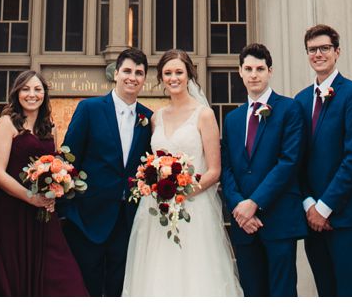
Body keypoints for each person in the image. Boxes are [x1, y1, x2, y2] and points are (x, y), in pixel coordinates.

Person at [122, 48, 241, 297]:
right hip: (157, 208)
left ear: (189, 75)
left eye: (178, 72)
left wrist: (181, 192)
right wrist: (156, 186)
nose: (173, 78)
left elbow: (214, 170)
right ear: (161, 78)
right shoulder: (156, 117)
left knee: (193, 275)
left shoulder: (204, 115)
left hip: (193, 208)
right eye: (167, 73)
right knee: (156, 273)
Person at [0, 70, 89, 296]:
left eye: (37, 89)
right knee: (16, 280)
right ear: (17, 93)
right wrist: (30, 197)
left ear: (44, 94)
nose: (32, 94)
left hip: (42, 213)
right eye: (25, 89)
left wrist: (55, 190)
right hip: (10, 213)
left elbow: (54, 165)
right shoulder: (7, 123)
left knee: (64, 278)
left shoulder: (49, 126)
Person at [61, 46, 153, 296]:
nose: (132, 77)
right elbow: (69, 157)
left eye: (139, 73)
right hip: (87, 218)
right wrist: (65, 209)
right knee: (86, 289)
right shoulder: (89, 108)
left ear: (144, 78)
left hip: (127, 220)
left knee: (119, 288)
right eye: (127, 71)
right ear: (116, 73)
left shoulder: (148, 118)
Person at [220, 42, 305, 295]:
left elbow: (289, 162)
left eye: (260, 69)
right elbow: (227, 167)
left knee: (282, 293)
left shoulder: (289, 108)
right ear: (240, 72)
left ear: (270, 71)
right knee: (251, 292)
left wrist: (254, 203)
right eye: (248, 69)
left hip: (278, 219)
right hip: (243, 223)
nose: (254, 75)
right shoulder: (233, 119)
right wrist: (239, 207)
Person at [294, 25, 352, 297]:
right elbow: (296, 160)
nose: (318, 54)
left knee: (350, 293)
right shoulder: (301, 100)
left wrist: (325, 207)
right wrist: (309, 205)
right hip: (312, 219)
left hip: (347, 218)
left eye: (324, 48)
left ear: (337, 52)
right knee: (325, 292)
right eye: (312, 49)